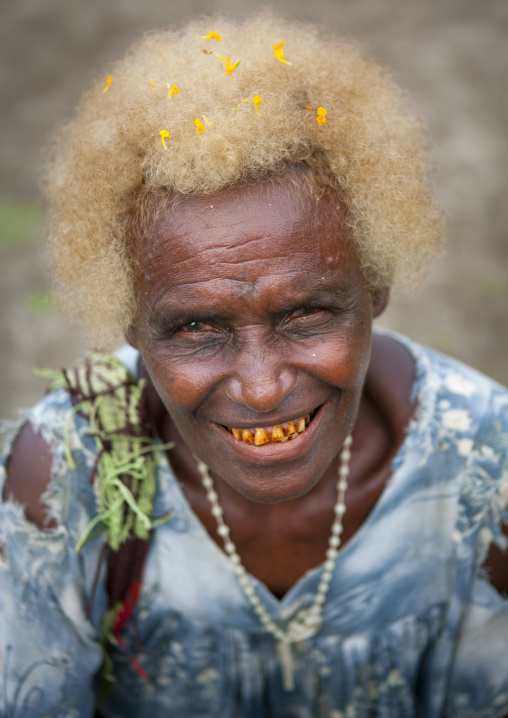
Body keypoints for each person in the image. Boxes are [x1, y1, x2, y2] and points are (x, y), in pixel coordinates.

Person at [1, 12, 507, 718]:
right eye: (196, 328)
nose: (263, 387)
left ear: (376, 285)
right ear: (131, 322)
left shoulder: (486, 464)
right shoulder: (65, 473)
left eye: (305, 315)